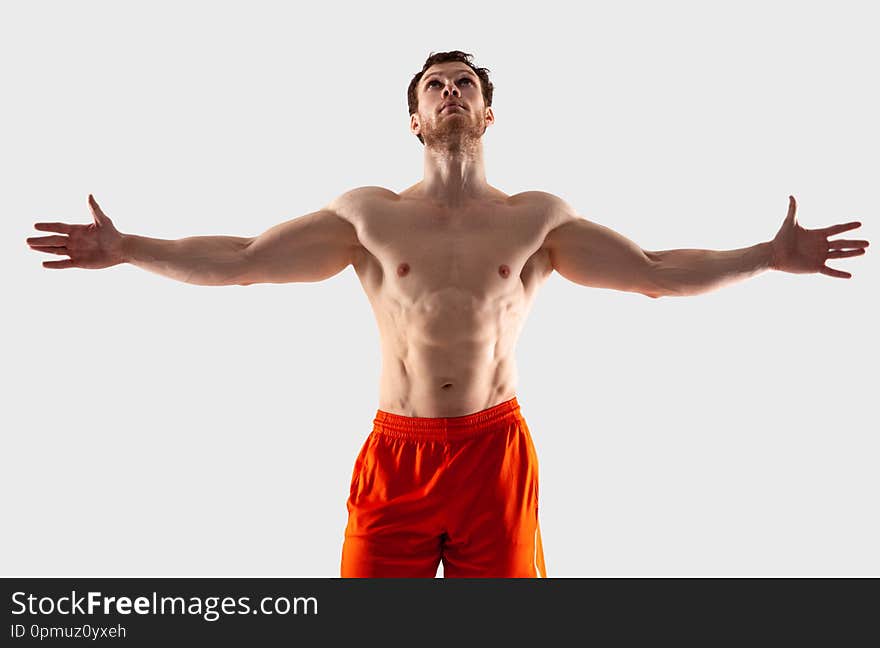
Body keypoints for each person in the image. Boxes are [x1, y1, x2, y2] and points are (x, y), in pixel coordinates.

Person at [26, 50, 869, 578]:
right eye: (436, 86)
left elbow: (653, 273)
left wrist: (767, 255)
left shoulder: (536, 216)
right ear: (415, 119)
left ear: (489, 112)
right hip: (397, 453)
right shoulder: (368, 215)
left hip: (493, 454)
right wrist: (129, 246)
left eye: (466, 83)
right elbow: (244, 262)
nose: (452, 92)